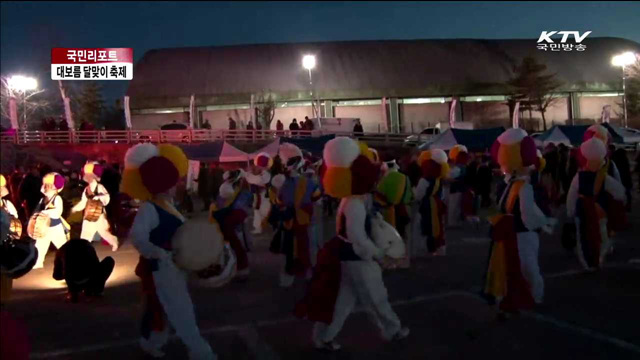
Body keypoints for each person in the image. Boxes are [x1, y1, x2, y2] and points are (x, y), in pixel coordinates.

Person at [295, 137, 410, 351]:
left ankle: (323, 337)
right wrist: (379, 255)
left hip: (348, 258)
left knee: (342, 303)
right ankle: (393, 330)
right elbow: (357, 238)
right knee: (377, 298)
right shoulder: (355, 204)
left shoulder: (355, 199)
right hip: (358, 258)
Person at [123, 143, 216, 360]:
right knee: (182, 311)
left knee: (164, 308)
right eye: (173, 181)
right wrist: (158, 253)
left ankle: (150, 342)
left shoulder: (167, 204)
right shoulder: (149, 208)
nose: (178, 185)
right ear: (163, 184)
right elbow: (137, 237)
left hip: (172, 266)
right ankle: (200, 352)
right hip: (162, 268)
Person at [483, 129, 554, 317]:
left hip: (523, 233)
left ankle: (535, 295)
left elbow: (528, 215)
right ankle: (516, 296)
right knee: (513, 267)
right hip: (511, 233)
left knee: (528, 266)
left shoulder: (524, 186)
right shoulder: (507, 185)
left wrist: (542, 223)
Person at [566, 138, 626, 271]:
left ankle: (587, 262)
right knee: (600, 234)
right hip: (600, 208)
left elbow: (572, 194)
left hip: (582, 209)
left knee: (583, 237)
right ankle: (598, 258)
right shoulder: (603, 177)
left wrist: (570, 210)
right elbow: (619, 191)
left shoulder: (578, 177)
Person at [271, 143, 321, 287]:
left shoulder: (282, 182)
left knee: (288, 249)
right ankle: (307, 272)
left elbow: (277, 201)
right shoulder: (309, 182)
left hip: (289, 220)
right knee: (305, 247)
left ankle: (288, 275)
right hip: (304, 220)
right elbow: (317, 197)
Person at [211, 169, 253, 278]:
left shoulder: (225, 192)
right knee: (237, 246)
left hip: (226, 224)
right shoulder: (241, 192)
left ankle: (235, 268)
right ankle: (239, 269)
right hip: (233, 224)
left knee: (232, 246)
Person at [71, 162, 119, 251]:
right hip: (88, 213)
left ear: (94, 176)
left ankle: (113, 241)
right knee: (85, 233)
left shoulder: (100, 187)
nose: (88, 177)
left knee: (104, 232)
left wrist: (98, 197)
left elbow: (106, 197)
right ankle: (83, 249)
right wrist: (75, 208)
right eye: (87, 175)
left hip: (99, 214)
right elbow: (83, 202)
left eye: (90, 175)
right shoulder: (86, 189)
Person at [52, 238, 115, 303]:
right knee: (109, 260)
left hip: (73, 283)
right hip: (90, 278)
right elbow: (95, 264)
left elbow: (56, 276)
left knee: (70, 271)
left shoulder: (61, 250)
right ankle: (97, 290)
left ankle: (74, 292)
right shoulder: (88, 246)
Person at [411, 149, 449, 257]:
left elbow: (418, 195)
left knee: (423, 226)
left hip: (426, 205)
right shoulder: (439, 179)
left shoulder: (424, 180)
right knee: (438, 226)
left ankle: (426, 249)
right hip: (437, 204)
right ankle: (439, 248)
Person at [33, 173, 70, 269]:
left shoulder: (57, 198)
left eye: (48, 185)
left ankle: (70, 262)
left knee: (62, 246)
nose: (46, 187)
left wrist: (45, 212)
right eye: (45, 185)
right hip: (44, 227)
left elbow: (57, 212)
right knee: (40, 246)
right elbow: (36, 210)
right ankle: (38, 262)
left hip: (55, 227)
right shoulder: (43, 199)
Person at [245, 153, 273, 235]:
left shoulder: (266, 174)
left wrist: (249, 172)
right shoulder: (262, 173)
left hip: (264, 195)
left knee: (263, 212)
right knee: (258, 211)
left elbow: (253, 180)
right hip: (258, 195)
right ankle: (258, 227)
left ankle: (261, 226)